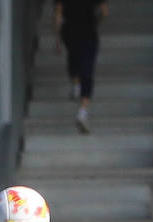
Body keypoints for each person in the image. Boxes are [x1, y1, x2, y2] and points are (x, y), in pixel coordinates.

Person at [55, 1, 107, 133]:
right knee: (87, 71)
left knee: (74, 60)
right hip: (88, 31)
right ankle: (83, 111)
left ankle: (76, 86)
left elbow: (58, 15)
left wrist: (57, 38)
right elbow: (104, 12)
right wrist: (96, 22)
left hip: (70, 31)